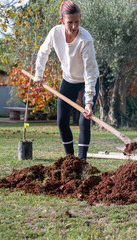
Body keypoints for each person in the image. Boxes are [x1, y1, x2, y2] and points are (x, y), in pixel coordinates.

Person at [34, 0, 99, 159]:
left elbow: (90, 73)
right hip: (69, 80)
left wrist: (88, 103)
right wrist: (39, 74)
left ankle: (82, 160)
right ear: (62, 21)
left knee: (84, 121)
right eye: (70, 22)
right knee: (62, 121)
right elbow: (43, 53)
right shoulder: (55, 33)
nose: (74, 26)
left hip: (87, 81)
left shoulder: (85, 40)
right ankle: (70, 160)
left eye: (77, 22)